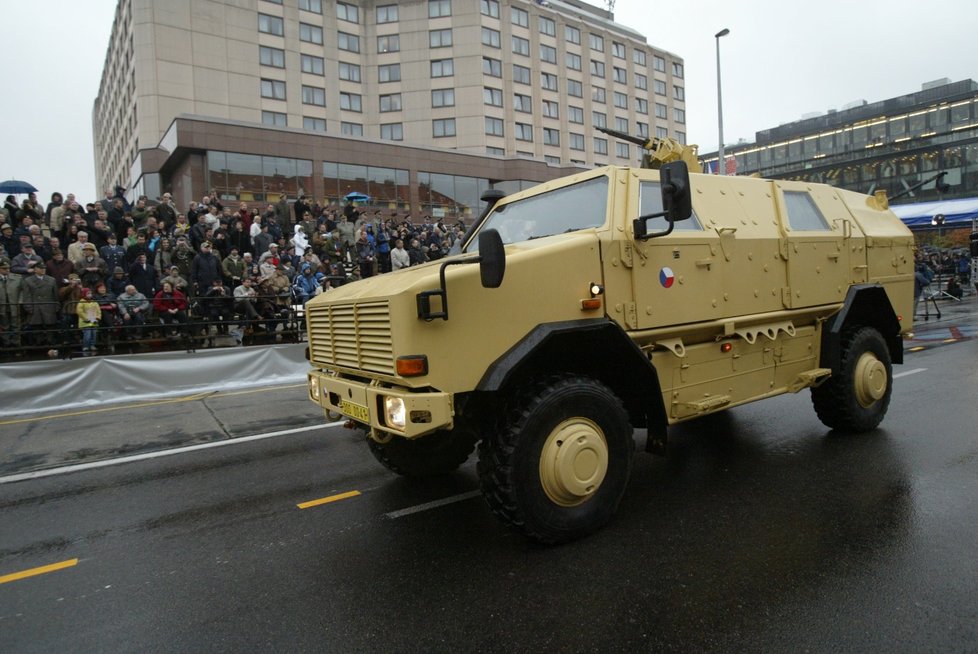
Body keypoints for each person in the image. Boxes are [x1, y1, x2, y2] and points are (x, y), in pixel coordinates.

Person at [21, 261, 59, 346]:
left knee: (50, 327)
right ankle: (39, 344)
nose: (43, 270)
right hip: (36, 307)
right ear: (35, 269)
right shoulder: (28, 280)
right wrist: (28, 307)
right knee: (37, 327)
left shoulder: (51, 279)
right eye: (40, 268)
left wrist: (56, 306)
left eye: (44, 268)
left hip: (49, 307)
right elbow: (27, 296)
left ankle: (50, 343)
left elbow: (55, 295)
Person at [0, 258, 23, 348]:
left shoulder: (17, 278)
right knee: (4, 326)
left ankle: (16, 345)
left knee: (16, 326)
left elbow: (22, 291)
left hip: (14, 306)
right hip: (2, 307)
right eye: (4, 268)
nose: (7, 270)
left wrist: (20, 302)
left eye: (8, 268)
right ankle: (6, 344)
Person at [76, 288, 101, 354]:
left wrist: (98, 317)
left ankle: (92, 345)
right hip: (85, 322)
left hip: (94, 321)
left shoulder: (94, 302)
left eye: (90, 293)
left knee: (94, 334)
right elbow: (79, 311)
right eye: (88, 293)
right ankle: (86, 346)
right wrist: (86, 318)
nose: (90, 295)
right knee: (87, 334)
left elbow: (99, 311)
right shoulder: (81, 302)